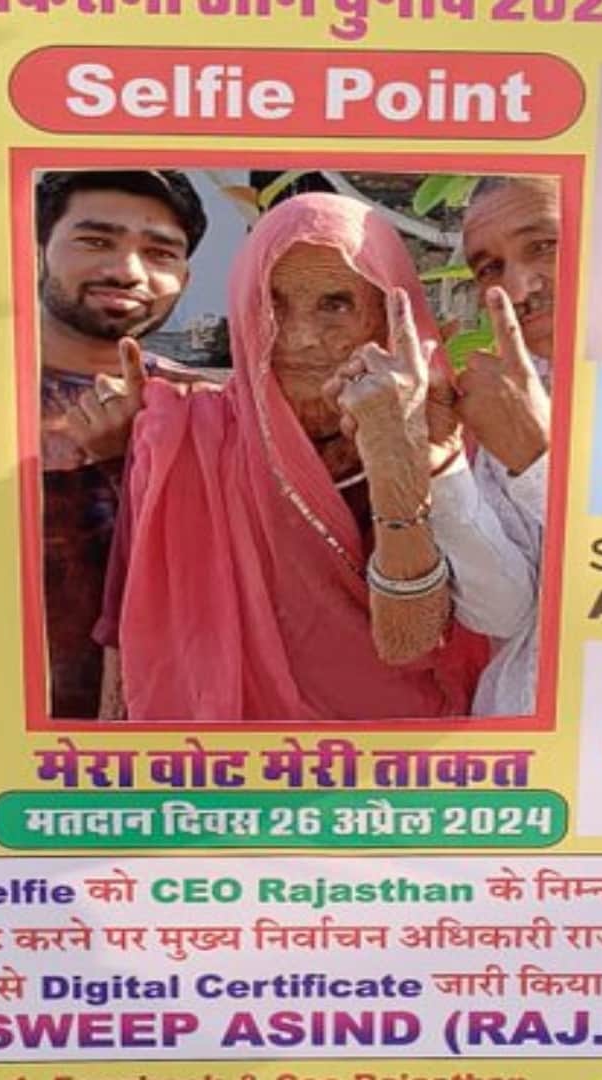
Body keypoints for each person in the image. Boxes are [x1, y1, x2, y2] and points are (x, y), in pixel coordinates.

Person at [101, 193, 485, 722]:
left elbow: (413, 640)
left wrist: (396, 460)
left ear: (386, 318)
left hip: (411, 759)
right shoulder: (180, 439)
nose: (301, 338)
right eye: (272, 304)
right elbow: (126, 632)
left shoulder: (455, 440)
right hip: (227, 763)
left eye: (336, 305)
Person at [35, 170, 208, 718]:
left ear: (185, 276)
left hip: (165, 739)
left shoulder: (209, 408)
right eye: (95, 241)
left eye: (160, 253)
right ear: (36, 250)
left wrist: (133, 459)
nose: (127, 271)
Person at [422, 176, 559, 716]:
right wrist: (444, 467)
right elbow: (502, 613)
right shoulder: (508, 394)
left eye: (543, 246)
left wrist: (538, 463)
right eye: (490, 269)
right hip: (519, 740)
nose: (518, 290)